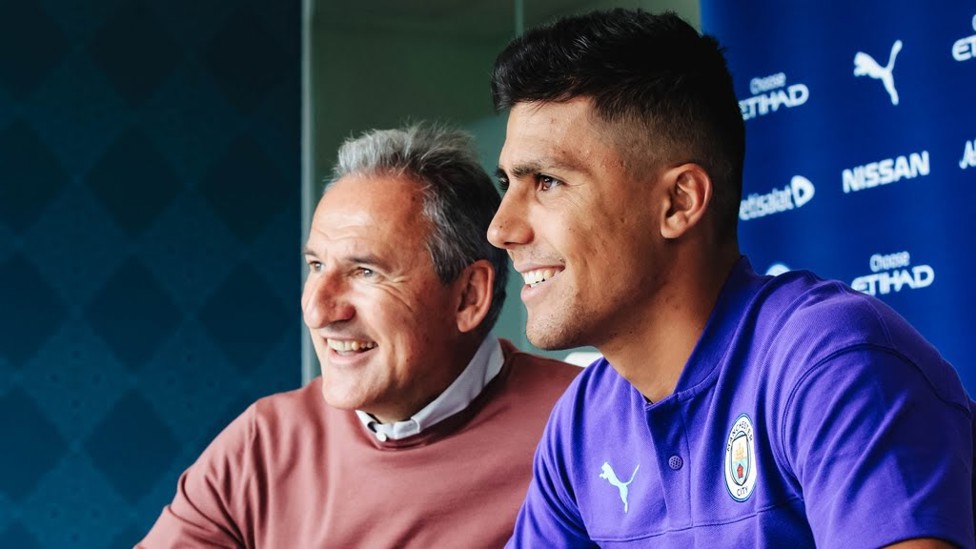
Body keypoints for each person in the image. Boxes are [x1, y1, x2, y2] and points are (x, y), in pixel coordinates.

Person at [487, 9, 974, 548]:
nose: (501, 228)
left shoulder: (830, 361)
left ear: (679, 202)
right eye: (507, 182)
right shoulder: (581, 422)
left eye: (548, 182)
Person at [139, 124, 580, 547]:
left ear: (468, 296)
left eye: (365, 271)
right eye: (316, 266)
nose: (318, 310)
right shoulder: (265, 441)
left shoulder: (585, 424)